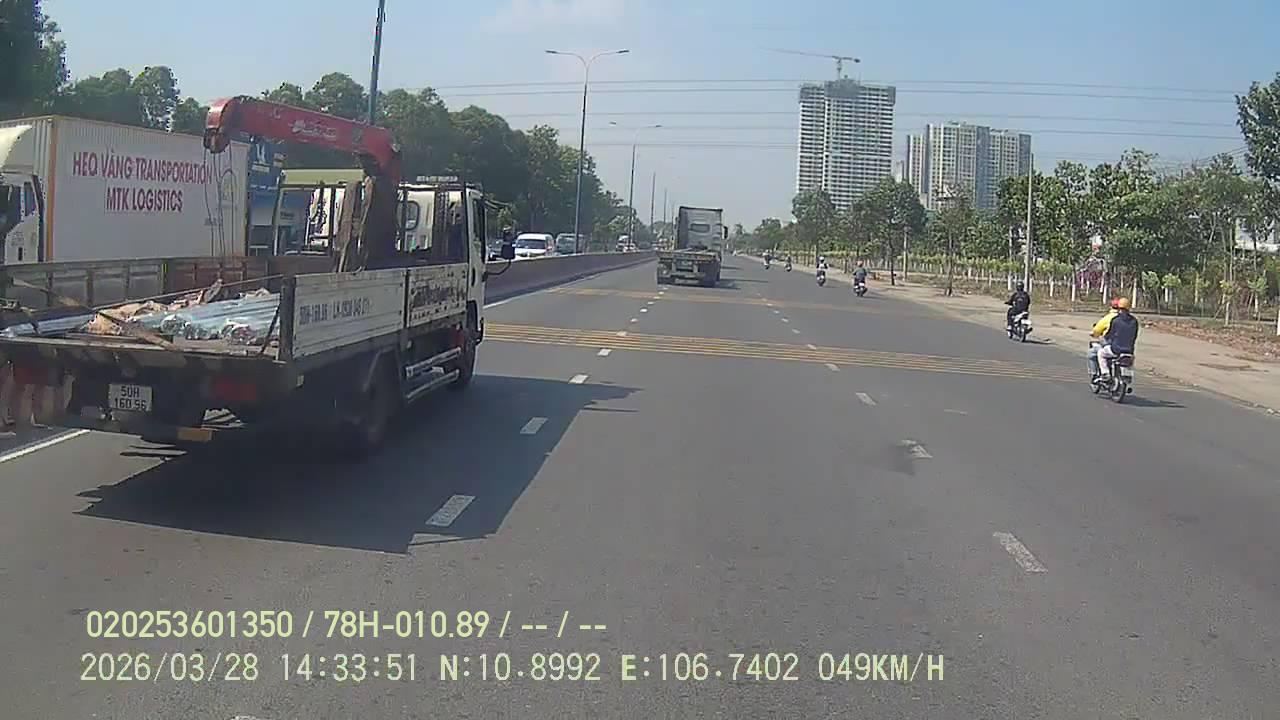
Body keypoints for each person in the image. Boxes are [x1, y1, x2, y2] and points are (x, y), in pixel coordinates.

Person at [1097, 297, 1139, 379]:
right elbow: (1134, 336)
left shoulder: (1116, 320)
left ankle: (1105, 373)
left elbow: (1109, 335)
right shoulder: (1134, 321)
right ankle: (1127, 376)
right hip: (1129, 351)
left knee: (1101, 353)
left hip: (1116, 350)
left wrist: (1105, 339)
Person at [1087, 299, 1121, 380]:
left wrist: (1094, 334)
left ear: (1111, 307)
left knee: (1092, 353)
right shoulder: (1129, 320)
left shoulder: (1108, 318)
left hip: (1112, 346)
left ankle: (1096, 375)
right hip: (1127, 348)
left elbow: (1097, 330)